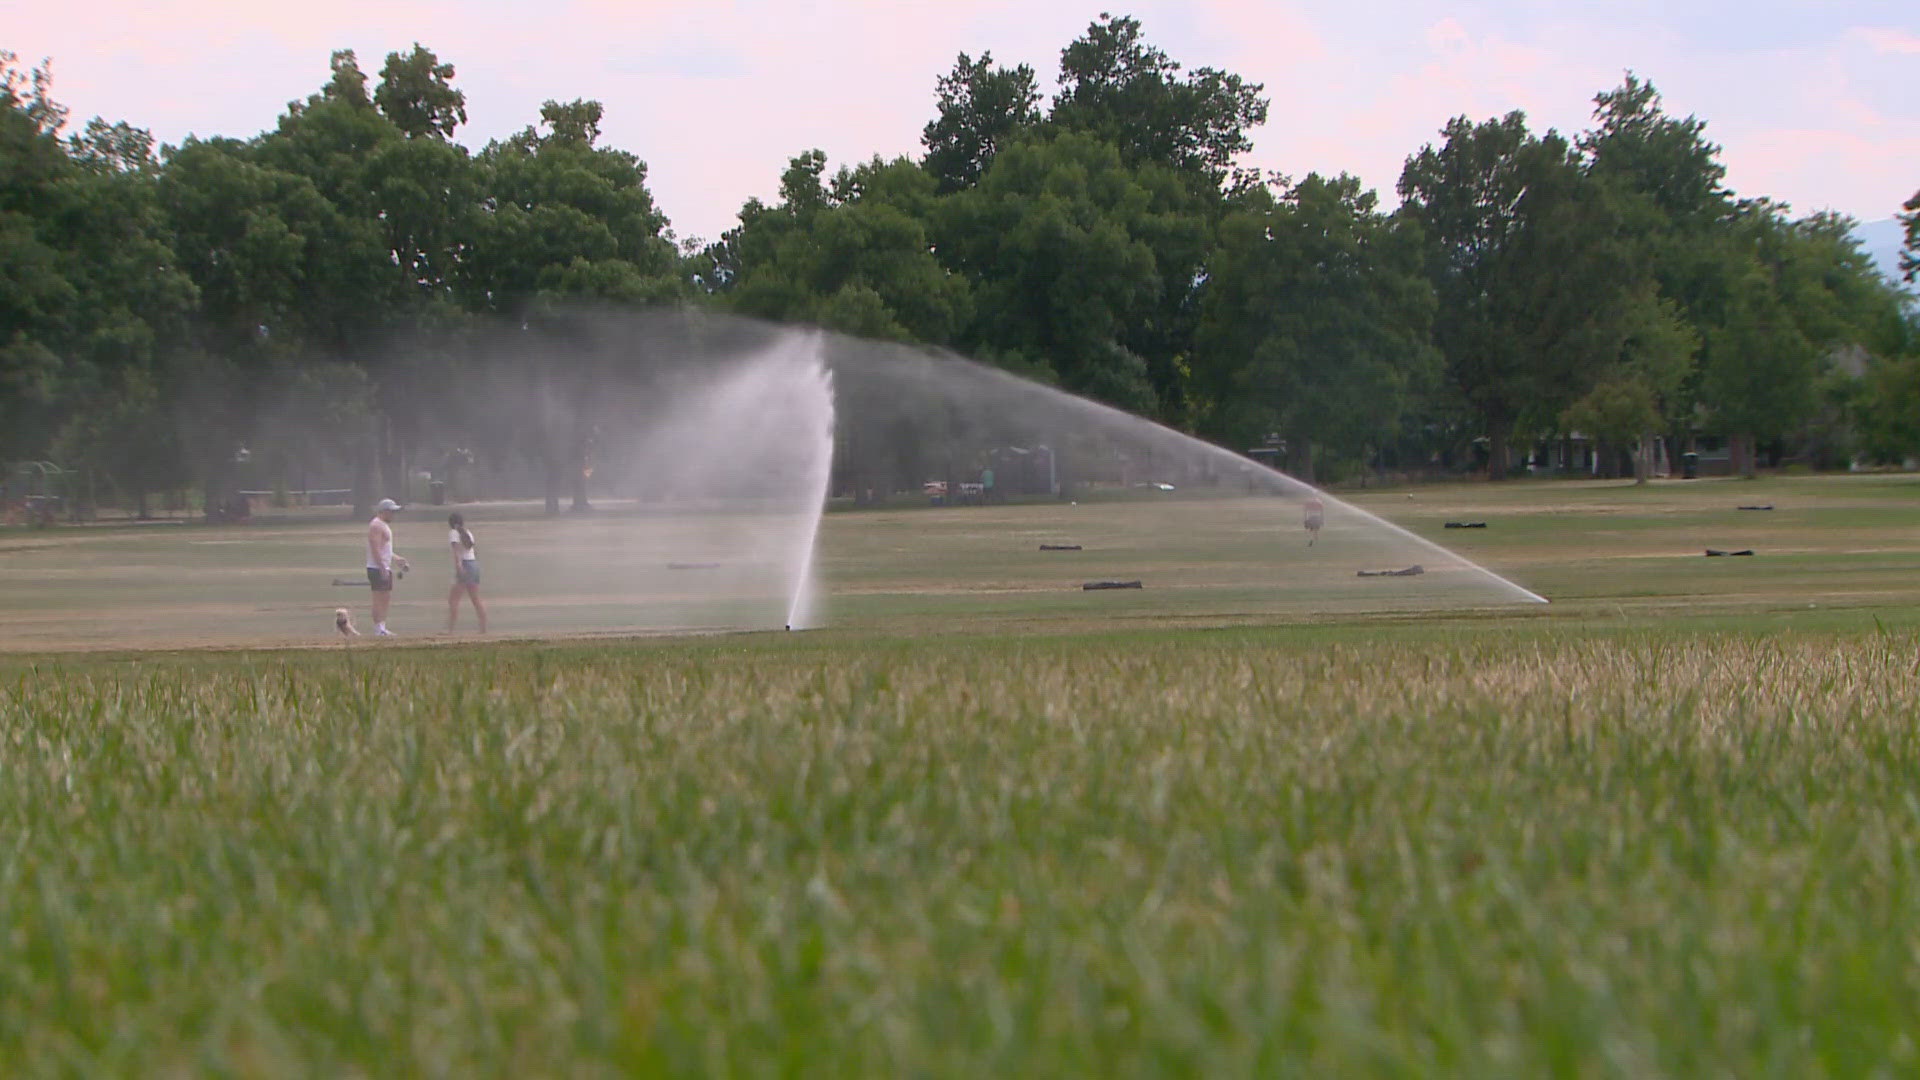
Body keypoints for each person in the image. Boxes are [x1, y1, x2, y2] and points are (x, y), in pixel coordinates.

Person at [365, 498, 410, 637]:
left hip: (383, 566)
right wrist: (382, 567)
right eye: (391, 512)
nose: (393, 515)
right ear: (384, 511)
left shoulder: (383, 525)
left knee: (385, 598)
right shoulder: (376, 525)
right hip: (377, 568)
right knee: (379, 597)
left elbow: (385, 549)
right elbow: (375, 549)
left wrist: (397, 559)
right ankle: (378, 628)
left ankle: (382, 627)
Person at [445, 511, 488, 634]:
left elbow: (456, 550)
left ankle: (450, 630)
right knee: (476, 599)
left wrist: (458, 566)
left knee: (453, 599)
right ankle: (483, 628)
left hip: (465, 565)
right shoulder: (468, 533)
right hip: (474, 564)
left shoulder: (453, 533)